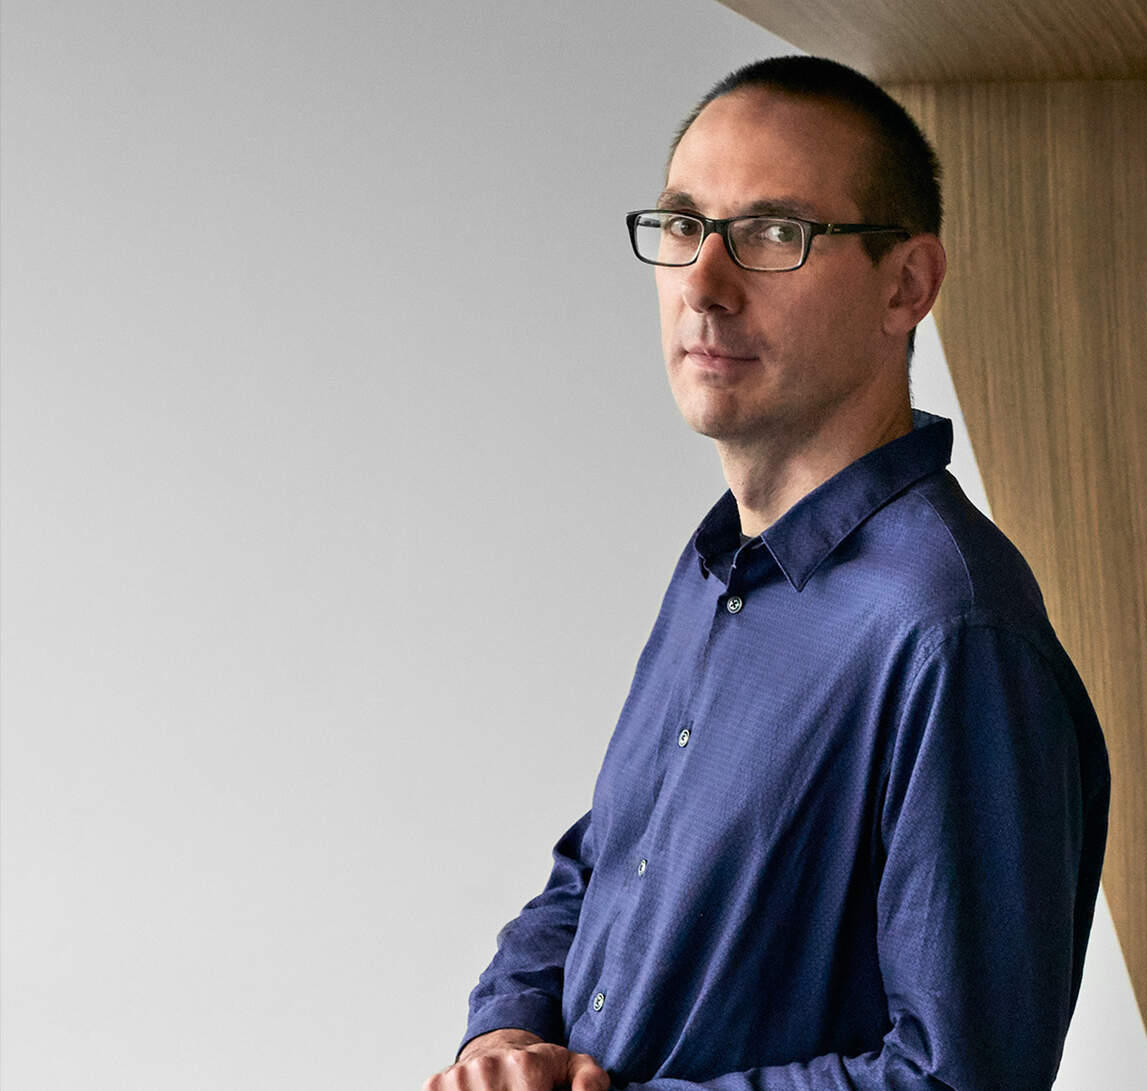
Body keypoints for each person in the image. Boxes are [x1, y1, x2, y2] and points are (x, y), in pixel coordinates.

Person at [424, 55, 1109, 1091]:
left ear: (906, 284)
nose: (703, 283)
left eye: (774, 233)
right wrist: (505, 1038)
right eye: (684, 225)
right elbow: (603, 863)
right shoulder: (718, 568)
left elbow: (958, 1079)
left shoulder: (950, 630)